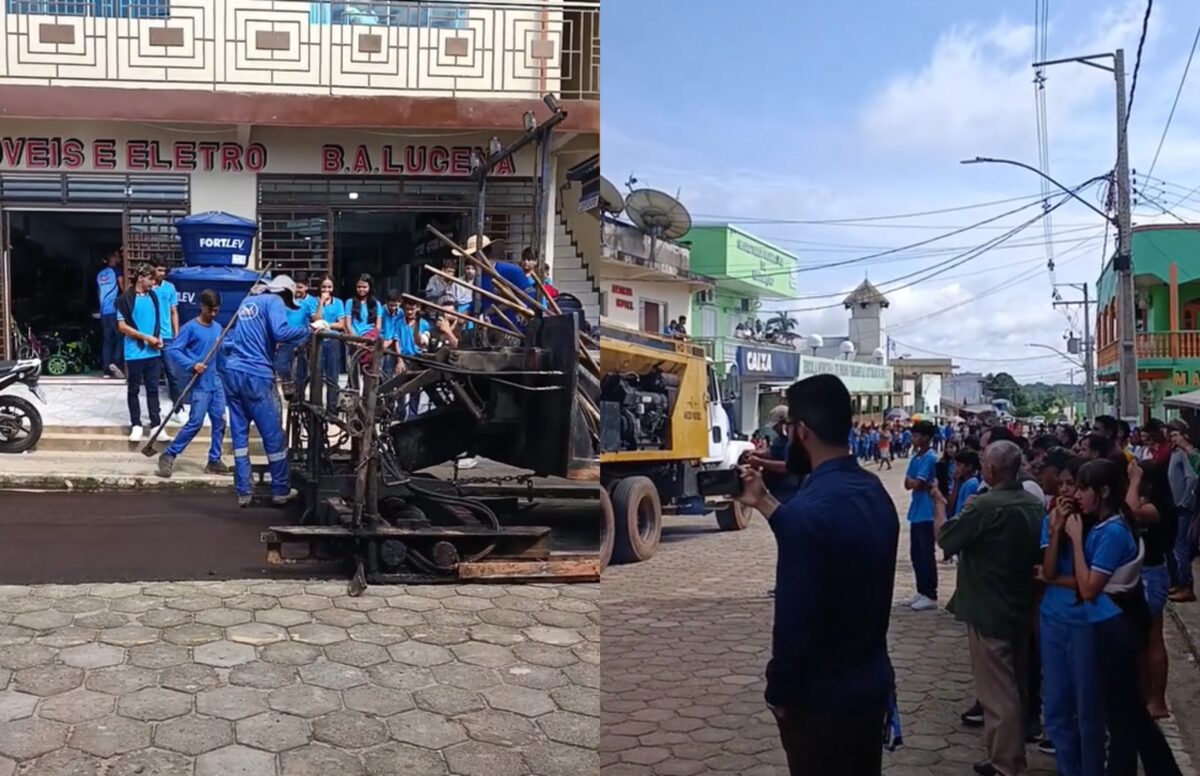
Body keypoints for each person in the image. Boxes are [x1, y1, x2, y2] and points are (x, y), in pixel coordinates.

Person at [734, 374, 898, 776]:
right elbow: (822, 540)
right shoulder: (874, 492)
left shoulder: (810, 512)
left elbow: (793, 625)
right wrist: (765, 501)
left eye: (790, 427)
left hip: (820, 703)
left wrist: (778, 692)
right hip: (870, 687)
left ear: (802, 431)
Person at [1067, 459, 1181, 775]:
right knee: (1124, 714)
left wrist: (1075, 540)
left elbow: (1089, 588)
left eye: (1083, 489)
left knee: (1127, 714)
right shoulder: (1109, 524)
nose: (1077, 495)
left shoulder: (1113, 531)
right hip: (1110, 624)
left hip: (1116, 626)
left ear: (1103, 492)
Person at [935, 441, 1041, 776]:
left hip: (988, 605)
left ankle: (1006, 763)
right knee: (1016, 682)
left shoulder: (985, 505)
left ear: (991, 470)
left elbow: (947, 538)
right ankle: (1011, 754)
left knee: (997, 691)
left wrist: (939, 504)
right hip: (1021, 602)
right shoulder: (1033, 503)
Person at [1038, 454, 1103, 776]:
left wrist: (1061, 579)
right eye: (1061, 484)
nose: (1065, 491)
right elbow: (1049, 571)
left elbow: (1089, 583)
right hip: (1053, 617)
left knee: (1087, 707)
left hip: (1086, 622)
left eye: (1072, 485)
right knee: (1055, 705)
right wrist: (1056, 530)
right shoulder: (1053, 519)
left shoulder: (1100, 527)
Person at [223, 275, 312, 507]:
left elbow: (236, 337)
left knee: (240, 437)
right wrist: (308, 329)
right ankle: (280, 490)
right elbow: (280, 332)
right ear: (284, 293)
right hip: (256, 375)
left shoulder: (248, 301)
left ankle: (244, 491)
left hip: (233, 372)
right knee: (273, 436)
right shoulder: (274, 301)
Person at [156, 290, 231, 478]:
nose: (213, 314)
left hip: (217, 383)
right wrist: (192, 364)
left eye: (216, 311)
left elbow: (222, 354)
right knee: (195, 423)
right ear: (202, 306)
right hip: (200, 384)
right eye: (210, 310)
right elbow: (174, 351)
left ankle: (214, 460)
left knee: (220, 422)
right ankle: (169, 454)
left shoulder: (218, 328)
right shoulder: (190, 328)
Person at [116, 263, 168, 444]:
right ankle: (136, 424)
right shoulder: (125, 300)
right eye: (150, 279)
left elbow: (157, 320)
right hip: (134, 352)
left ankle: (156, 425)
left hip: (153, 352)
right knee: (134, 389)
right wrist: (146, 338)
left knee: (153, 389)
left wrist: (158, 337)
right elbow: (122, 326)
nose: (153, 283)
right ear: (140, 278)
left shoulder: (153, 296)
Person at [905, 420, 940, 611]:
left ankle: (930, 593)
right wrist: (914, 483)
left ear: (926, 437)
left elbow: (918, 483)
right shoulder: (916, 457)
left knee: (926, 553)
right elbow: (907, 483)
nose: (914, 438)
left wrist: (915, 483)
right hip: (916, 511)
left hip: (927, 511)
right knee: (916, 554)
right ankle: (921, 589)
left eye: (917, 435)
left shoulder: (930, 458)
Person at [1167, 419, 1199, 603]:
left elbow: (1192, 478)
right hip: (1176, 507)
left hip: (1183, 508)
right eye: (1171, 435)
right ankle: (1180, 583)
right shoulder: (1175, 453)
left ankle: (1186, 585)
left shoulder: (1184, 454)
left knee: (1181, 548)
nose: (1173, 438)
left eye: (1175, 434)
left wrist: (1184, 501)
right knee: (1177, 547)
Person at [151, 257, 183, 425]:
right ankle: (154, 413)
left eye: (164, 270)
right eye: (159, 270)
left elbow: (173, 311)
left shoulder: (169, 287)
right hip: (150, 338)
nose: (162, 273)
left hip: (167, 337)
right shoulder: (147, 287)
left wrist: (176, 333)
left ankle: (178, 409)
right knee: (152, 377)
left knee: (173, 374)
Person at [275, 275, 316, 398]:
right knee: (281, 365)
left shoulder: (309, 303)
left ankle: (299, 396)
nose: (298, 290)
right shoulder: (285, 302)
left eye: (300, 287)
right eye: (296, 287)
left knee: (302, 371)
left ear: (306, 287)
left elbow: (316, 319)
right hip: (286, 339)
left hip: (302, 341)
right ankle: (287, 383)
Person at [311, 275, 347, 412]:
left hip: (333, 341)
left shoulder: (338, 303)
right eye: (324, 287)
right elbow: (316, 319)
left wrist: (325, 325)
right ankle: (317, 407)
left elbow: (341, 324)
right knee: (317, 374)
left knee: (333, 375)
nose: (326, 290)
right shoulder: (314, 302)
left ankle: (332, 407)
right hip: (318, 342)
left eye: (329, 287)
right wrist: (321, 302)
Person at [345, 273, 382, 390]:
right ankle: (354, 397)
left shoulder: (376, 304)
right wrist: (355, 339)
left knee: (368, 373)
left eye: (364, 287)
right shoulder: (350, 302)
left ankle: (367, 397)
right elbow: (347, 324)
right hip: (354, 342)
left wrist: (367, 341)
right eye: (359, 287)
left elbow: (378, 326)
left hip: (369, 343)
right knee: (353, 374)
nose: (361, 289)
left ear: (370, 287)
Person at [96, 246, 124, 379]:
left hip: (103, 311)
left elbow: (99, 292)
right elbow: (123, 288)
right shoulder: (116, 271)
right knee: (120, 337)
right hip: (114, 310)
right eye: (118, 256)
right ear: (113, 257)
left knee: (107, 340)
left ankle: (106, 369)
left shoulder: (100, 274)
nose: (119, 258)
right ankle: (116, 363)